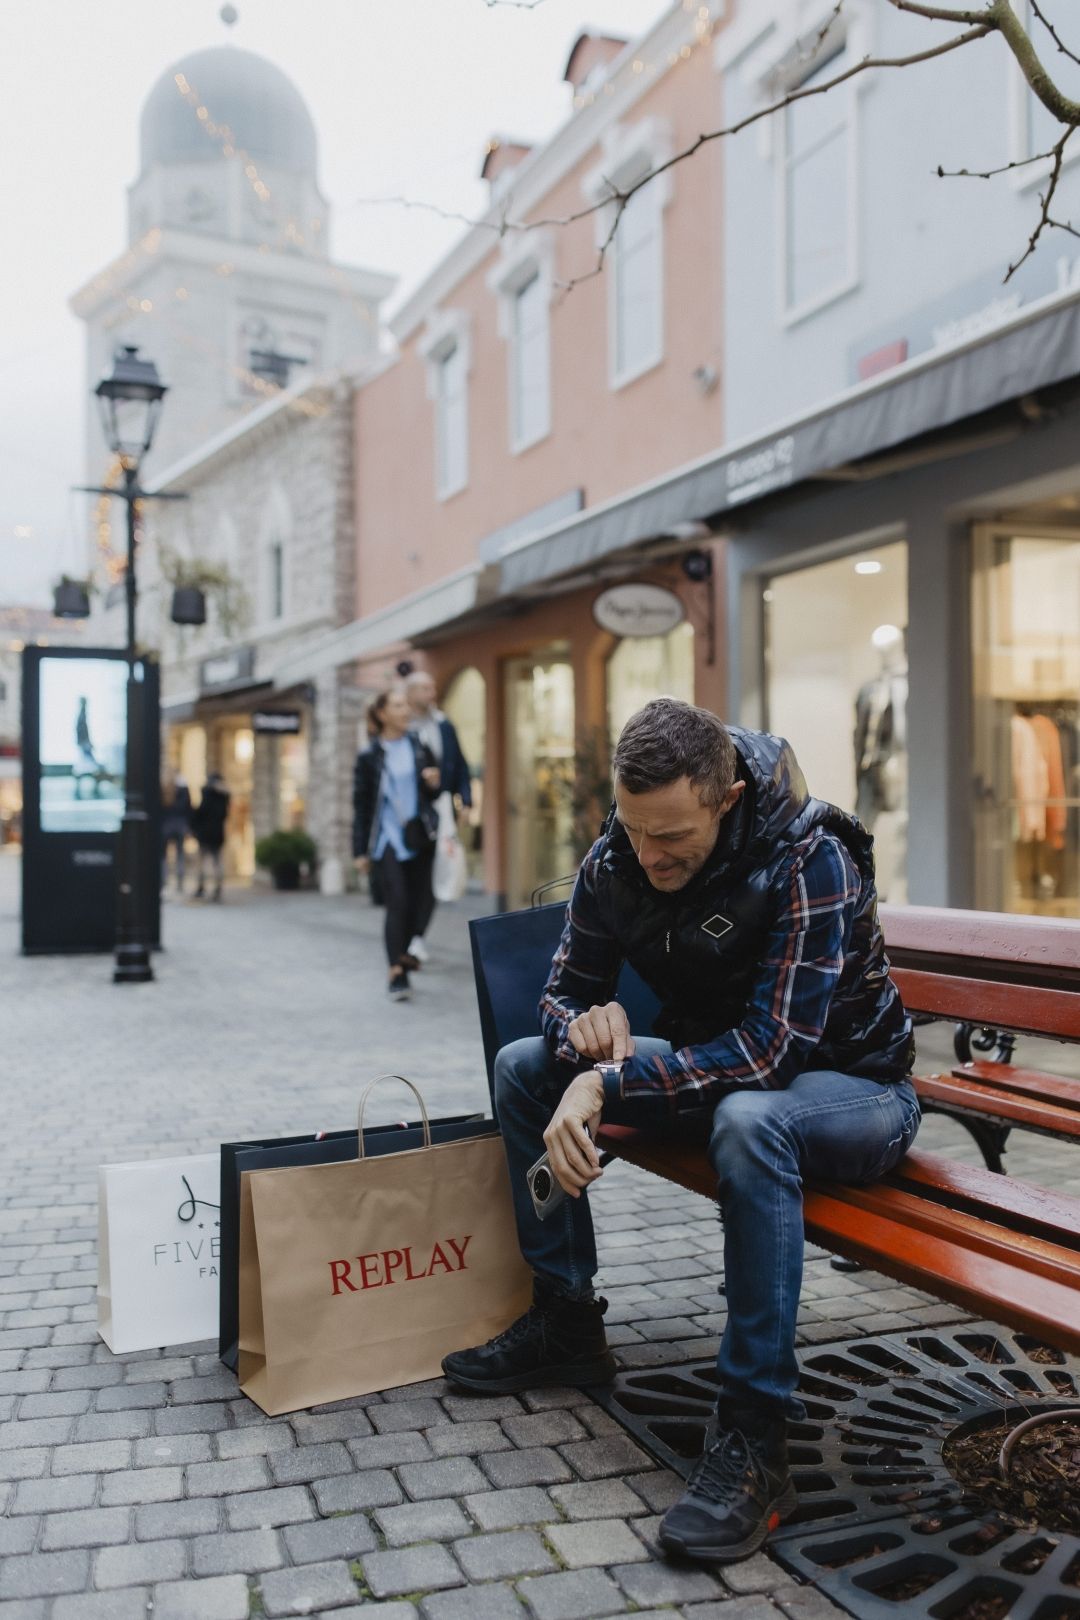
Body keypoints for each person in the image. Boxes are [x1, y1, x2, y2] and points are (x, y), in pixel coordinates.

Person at [443, 698, 918, 1567]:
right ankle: (567, 1322)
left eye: (672, 837)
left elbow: (772, 1055)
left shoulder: (812, 855)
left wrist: (607, 1079)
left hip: (857, 1092)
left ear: (727, 799)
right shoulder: (618, 852)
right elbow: (558, 991)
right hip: (728, 1068)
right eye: (633, 829)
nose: (648, 856)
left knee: (748, 1121)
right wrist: (581, 1029)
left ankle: (755, 1439)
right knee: (522, 1066)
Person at [352, 687, 441, 1001]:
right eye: (398, 705)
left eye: (406, 706)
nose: (405, 711)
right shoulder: (369, 756)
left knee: (423, 901)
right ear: (381, 713)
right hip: (387, 838)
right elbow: (361, 807)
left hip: (418, 835)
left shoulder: (418, 745)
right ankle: (396, 972)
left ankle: (404, 952)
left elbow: (434, 791)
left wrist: (433, 782)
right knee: (398, 902)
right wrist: (359, 850)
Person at [403, 670, 472, 961]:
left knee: (432, 871)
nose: (431, 693)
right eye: (424, 688)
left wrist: (465, 800)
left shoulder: (444, 724)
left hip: (440, 811)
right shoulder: (401, 725)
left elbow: (460, 763)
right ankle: (405, 933)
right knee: (409, 877)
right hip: (408, 812)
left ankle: (417, 935)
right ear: (410, 694)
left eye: (432, 687)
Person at [190, 772, 230, 902]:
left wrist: (194, 824)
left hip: (206, 832)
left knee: (202, 860)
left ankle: (201, 887)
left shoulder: (207, 793)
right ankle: (218, 888)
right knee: (217, 861)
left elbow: (201, 811)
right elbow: (225, 814)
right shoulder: (225, 796)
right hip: (218, 832)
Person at [161, 772, 192, 894]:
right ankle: (180, 883)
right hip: (180, 826)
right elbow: (188, 808)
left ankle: (164, 881)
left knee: (163, 856)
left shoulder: (165, 790)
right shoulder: (183, 790)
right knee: (180, 855)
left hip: (166, 826)